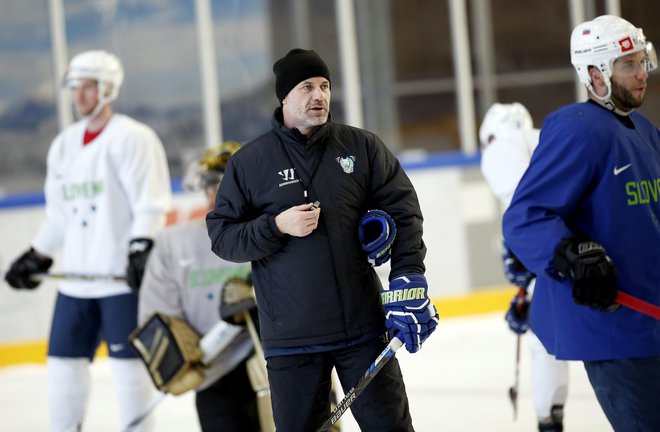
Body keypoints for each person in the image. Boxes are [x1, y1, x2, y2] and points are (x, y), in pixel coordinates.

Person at [206, 48, 438, 431]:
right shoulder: (249, 163)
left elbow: (404, 211)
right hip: (291, 341)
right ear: (285, 98)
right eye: (307, 87)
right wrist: (275, 226)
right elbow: (223, 237)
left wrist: (408, 274)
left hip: (362, 331)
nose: (320, 95)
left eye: (325, 86)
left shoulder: (361, 147)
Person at [502, 15, 660, 432]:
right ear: (595, 74)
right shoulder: (577, 129)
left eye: (642, 61)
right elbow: (525, 216)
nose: (641, 73)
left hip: (653, 322)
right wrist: (570, 252)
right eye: (628, 64)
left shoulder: (644, 132)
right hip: (619, 328)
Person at [3, 50, 172, 432]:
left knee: (130, 372)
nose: (78, 96)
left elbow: (151, 203)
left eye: (87, 87)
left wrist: (141, 246)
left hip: (118, 281)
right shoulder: (63, 145)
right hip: (77, 284)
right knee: (62, 367)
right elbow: (60, 215)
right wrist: (38, 254)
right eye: (74, 87)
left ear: (108, 89)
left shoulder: (134, 138)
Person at [137, 141, 260, 431]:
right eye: (211, 185)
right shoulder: (174, 243)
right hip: (215, 375)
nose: (215, 193)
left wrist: (260, 303)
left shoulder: (271, 231)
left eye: (225, 184)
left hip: (277, 365)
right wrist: (183, 355)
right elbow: (157, 317)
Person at [479, 102, 568, 431]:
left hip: (558, 259)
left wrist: (522, 258)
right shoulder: (544, 138)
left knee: (542, 339)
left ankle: (549, 419)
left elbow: (526, 207)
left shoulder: (498, 150)